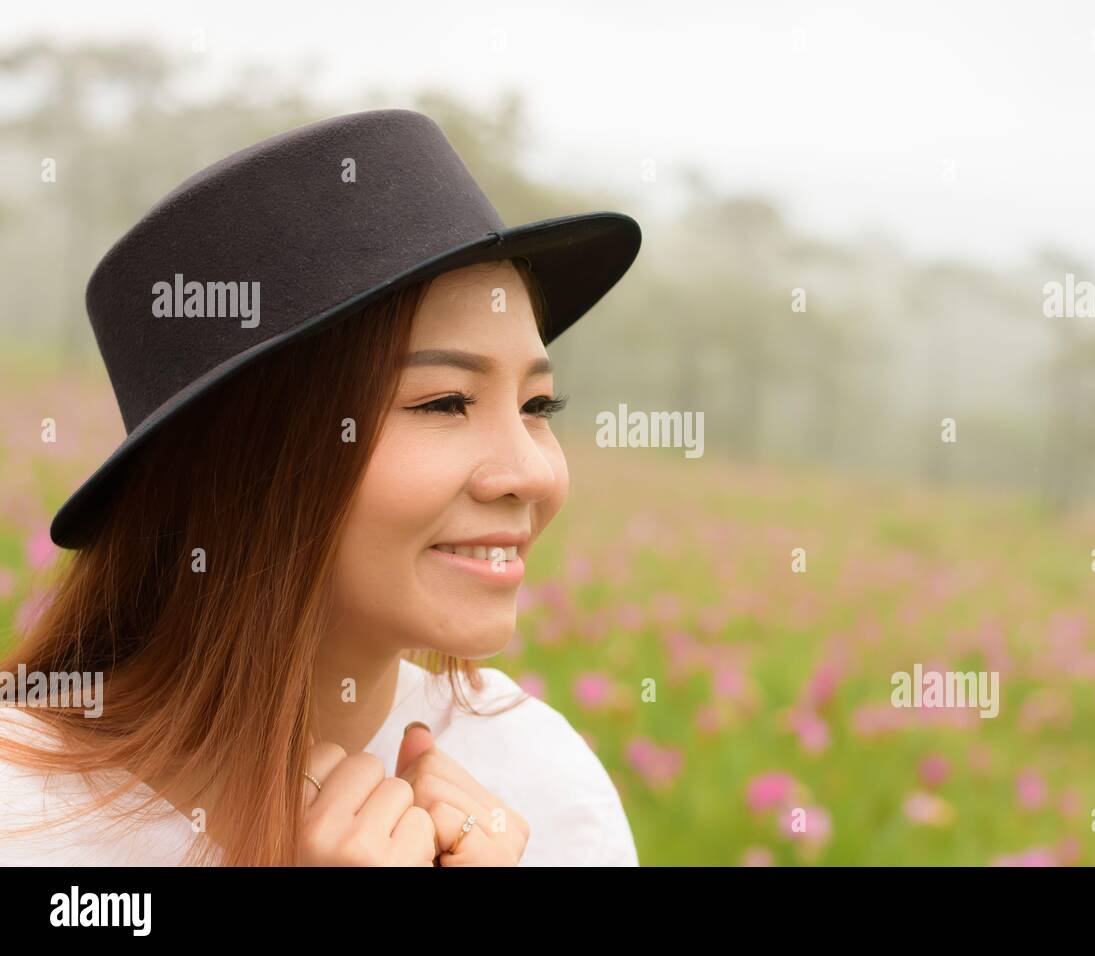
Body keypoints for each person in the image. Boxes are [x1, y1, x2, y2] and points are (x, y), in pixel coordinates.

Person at [0, 109, 642, 866]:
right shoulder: (27, 819)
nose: (533, 474)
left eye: (538, 407)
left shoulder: (546, 782)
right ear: (247, 462)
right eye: (443, 403)